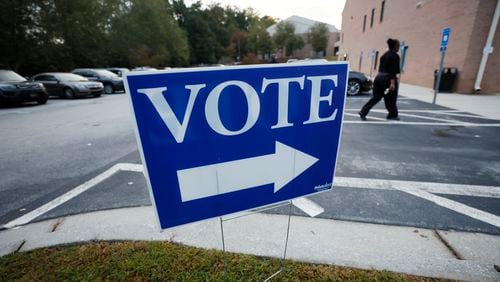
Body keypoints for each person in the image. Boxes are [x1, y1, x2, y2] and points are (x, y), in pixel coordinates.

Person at [359, 38, 401, 121]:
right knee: (391, 98)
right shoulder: (395, 56)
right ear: (395, 46)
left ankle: (363, 111)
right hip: (388, 79)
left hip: (379, 78)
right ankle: (392, 115)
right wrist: (392, 83)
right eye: (398, 46)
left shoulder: (383, 55)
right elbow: (392, 71)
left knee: (376, 97)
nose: (399, 48)